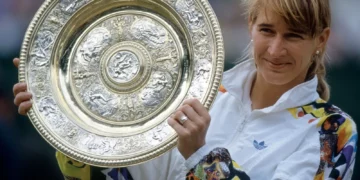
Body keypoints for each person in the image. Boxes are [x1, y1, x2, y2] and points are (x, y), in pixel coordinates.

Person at [13, 0, 358, 179]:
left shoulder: (332, 132)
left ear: (321, 40)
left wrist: (200, 156)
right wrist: (63, 116)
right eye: (267, 31)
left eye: (294, 35)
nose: (275, 50)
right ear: (251, 26)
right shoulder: (200, 91)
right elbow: (120, 171)